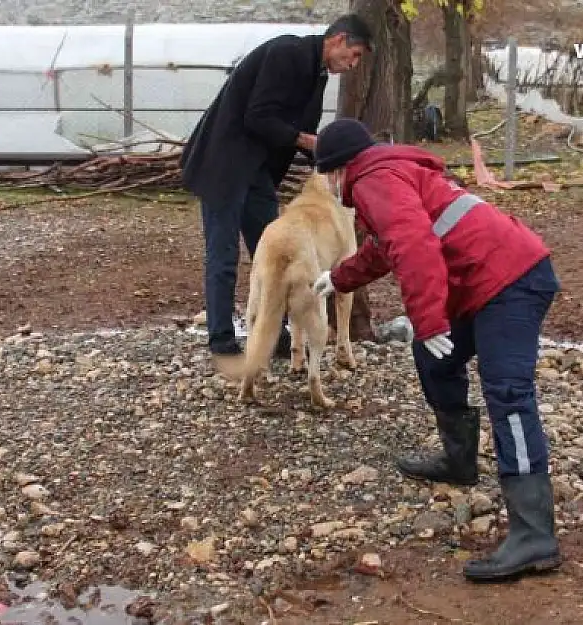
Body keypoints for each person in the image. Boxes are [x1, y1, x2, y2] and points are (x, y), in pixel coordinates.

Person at [310, 118, 563, 582]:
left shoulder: (371, 179)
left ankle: (534, 534)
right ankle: (459, 460)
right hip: (489, 280)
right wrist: (341, 277)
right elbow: (388, 247)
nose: (326, 183)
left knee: (509, 393)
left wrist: (427, 320)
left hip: (511, 280)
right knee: (436, 358)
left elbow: (411, 244)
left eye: (325, 173)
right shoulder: (389, 172)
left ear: (336, 168)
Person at [180, 15, 374, 357]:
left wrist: (331, 159)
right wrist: (308, 141)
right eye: (354, 54)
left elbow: (303, 137)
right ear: (339, 39)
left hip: (258, 171)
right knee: (223, 255)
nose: (353, 64)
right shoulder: (288, 53)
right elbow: (258, 116)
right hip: (224, 163)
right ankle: (222, 341)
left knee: (273, 252)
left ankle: (275, 335)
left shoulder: (317, 74)